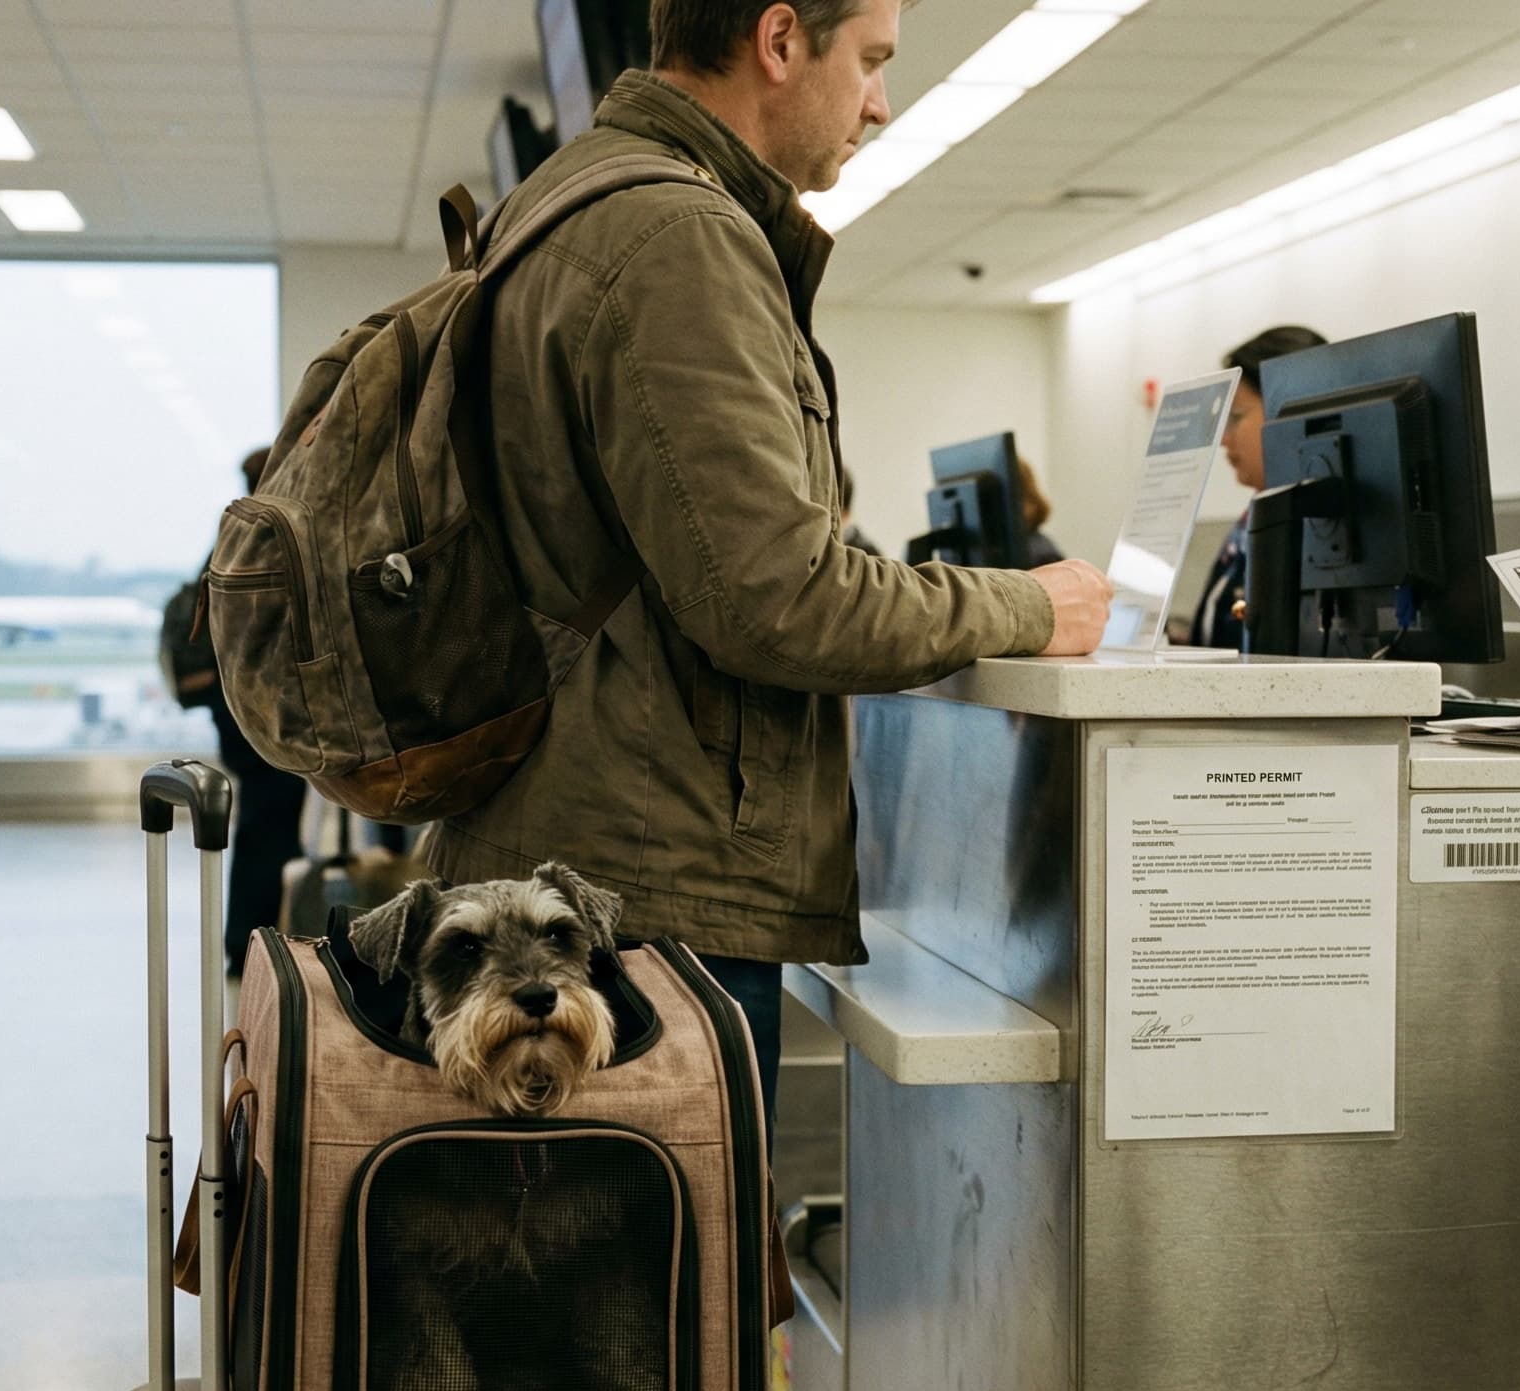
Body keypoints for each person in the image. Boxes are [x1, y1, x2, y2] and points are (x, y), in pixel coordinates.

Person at [429, 0, 1113, 1120]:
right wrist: (1028, 605)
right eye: (873, 62)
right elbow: (777, 598)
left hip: (575, 856)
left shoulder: (567, 198)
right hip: (645, 896)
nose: (881, 104)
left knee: (604, 1275)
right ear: (780, 38)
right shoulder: (675, 238)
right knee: (673, 1283)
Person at [202, 445, 309, 976]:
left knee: (262, 828)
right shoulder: (271, 534)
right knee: (270, 830)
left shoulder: (233, 533)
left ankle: (253, 941)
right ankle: (258, 944)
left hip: (238, 711)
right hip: (267, 712)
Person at [1190, 325, 1328, 649]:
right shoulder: (1249, 524)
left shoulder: (1322, 533)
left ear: (1290, 411)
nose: (1224, 439)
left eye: (1236, 418)